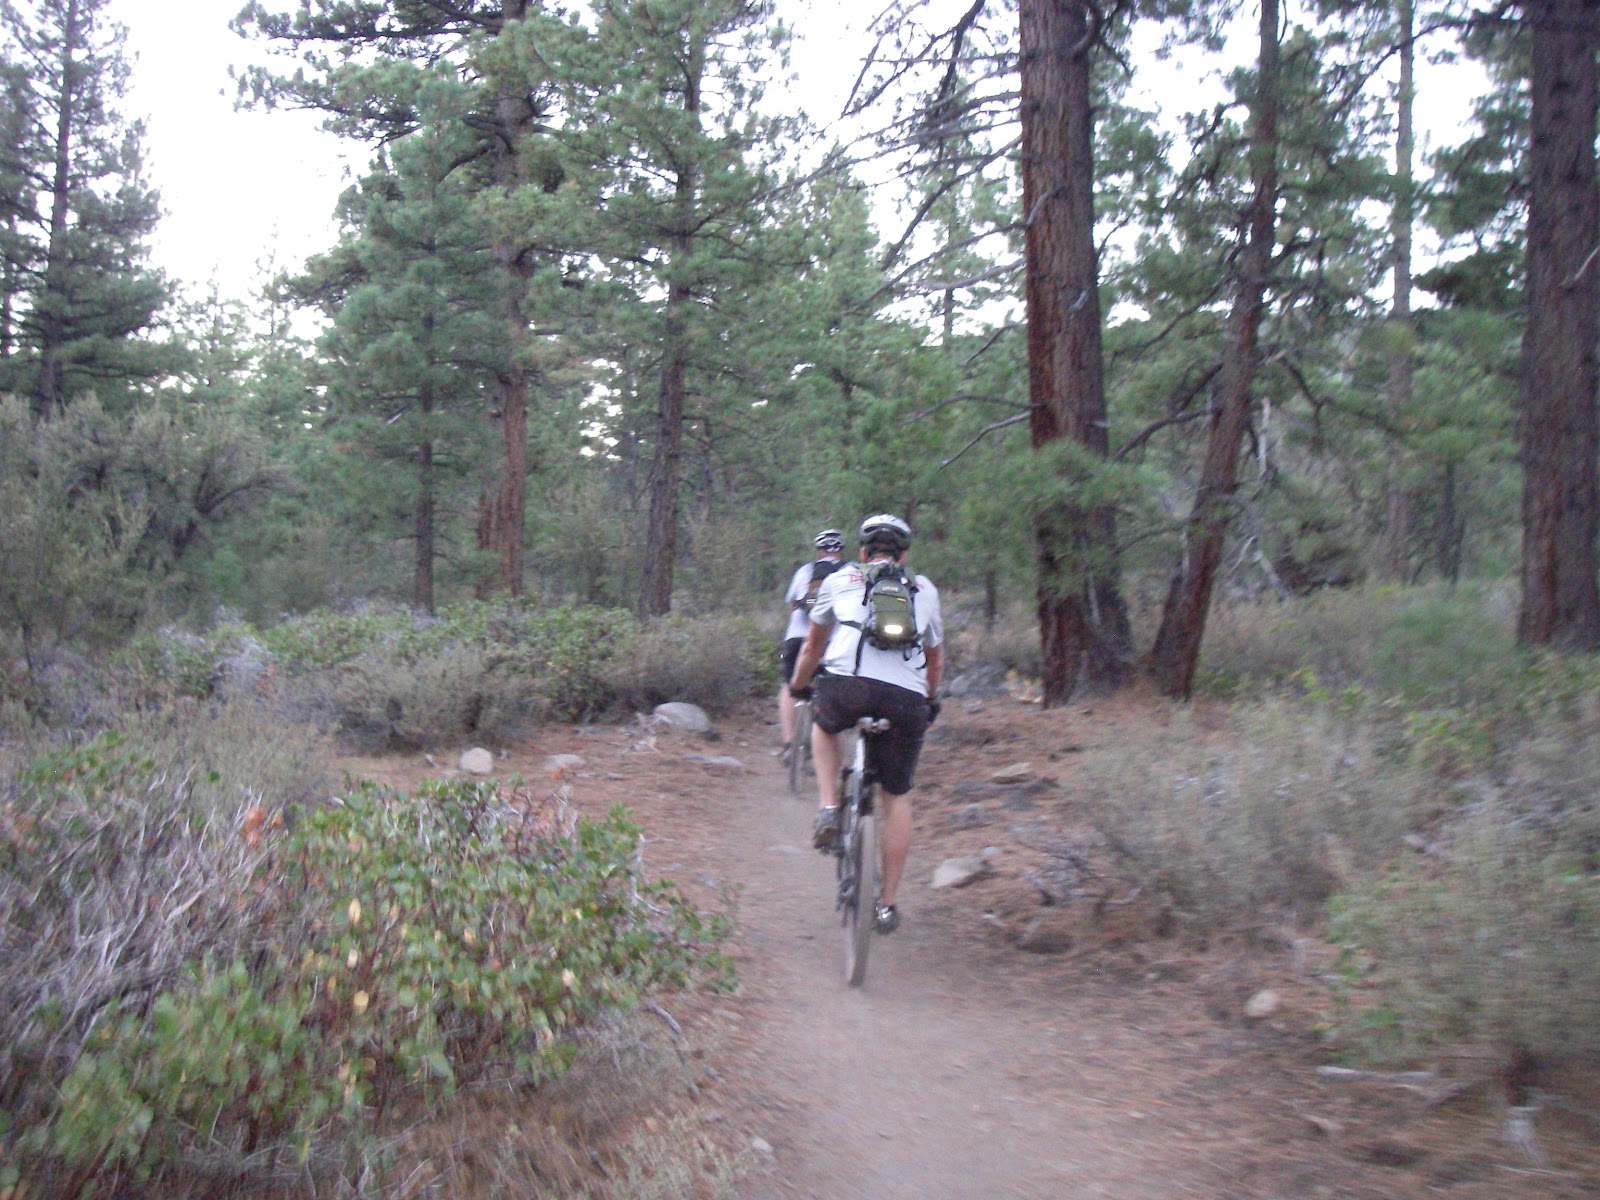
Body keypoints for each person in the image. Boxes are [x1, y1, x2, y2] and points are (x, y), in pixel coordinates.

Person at [787, 513, 943, 935]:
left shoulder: (841, 580)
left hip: (846, 686)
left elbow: (813, 647)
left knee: (824, 725)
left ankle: (828, 807)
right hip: (906, 699)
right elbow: (935, 659)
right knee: (897, 796)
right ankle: (888, 904)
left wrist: (800, 685)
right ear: (905, 555)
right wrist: (929, 700)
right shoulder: (924, 589)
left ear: (861, 551)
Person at [777, 528, 846, 763]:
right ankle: (825, 744)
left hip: (798, 637)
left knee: (789, 687)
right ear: (841, 550)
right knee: (831, 693)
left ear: (819, 550)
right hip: (833, 642)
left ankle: (789, 744)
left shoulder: (806, 571)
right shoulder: (850, 572)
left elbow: (793, 603)